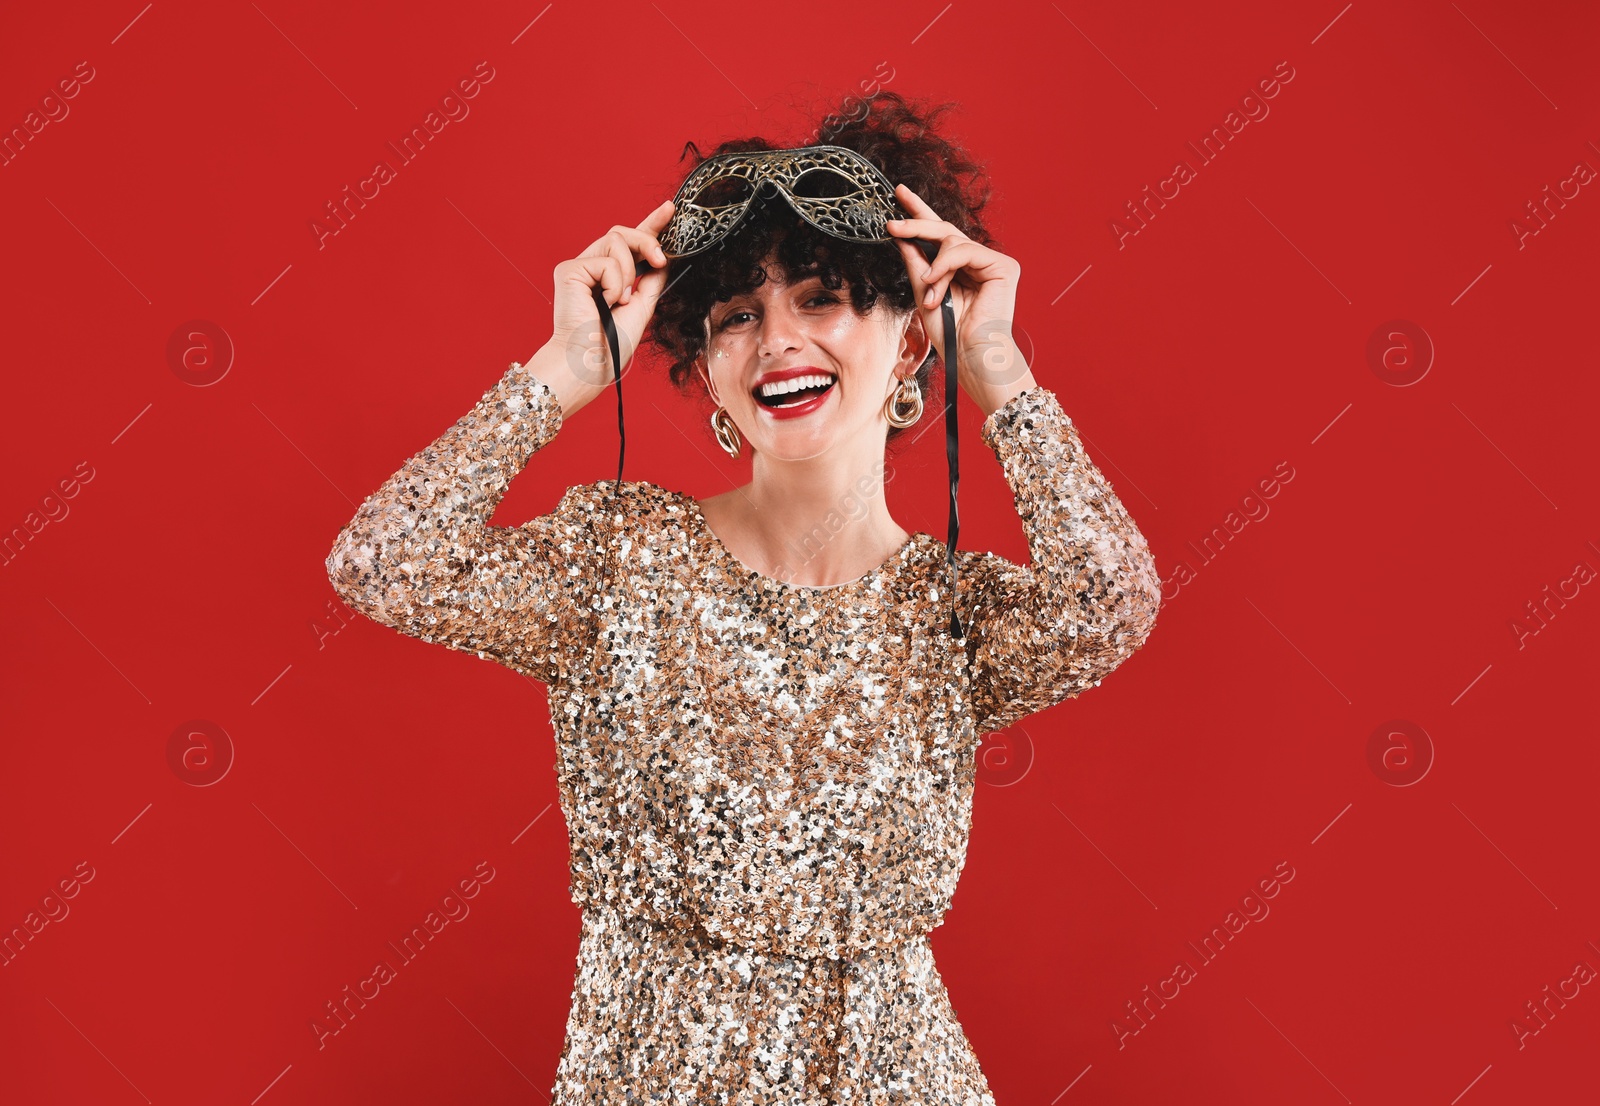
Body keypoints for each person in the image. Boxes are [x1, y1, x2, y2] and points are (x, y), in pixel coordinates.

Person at [326, 91, 1161, 1105]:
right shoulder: (618, 559)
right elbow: (384, 557)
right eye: (737, 316)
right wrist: (566, 367)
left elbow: (1111, 598)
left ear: (907, 345)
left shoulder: (952, 613)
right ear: (707, 373)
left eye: (821, 298)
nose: (777, 342)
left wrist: (997, 364)